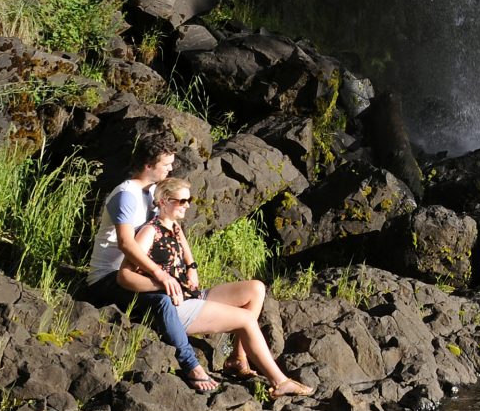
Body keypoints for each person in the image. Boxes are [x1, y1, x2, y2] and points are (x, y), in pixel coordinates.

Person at [120, 178, 311, 397]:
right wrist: (162, 281)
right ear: (163, 202)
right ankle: (280, 381)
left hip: (193, 294)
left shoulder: (174, 227)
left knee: (256, 288)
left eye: (188, 200)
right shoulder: (149, 232)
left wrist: (192, 268)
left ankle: (238, 358)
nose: (187, 205)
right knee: (246, 319)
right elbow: (124, 276)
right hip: (177, 306)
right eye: (182, 201)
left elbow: (186, 251)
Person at [82, 134, 215, 392]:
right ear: (149, 165)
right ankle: (190, 364)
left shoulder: (152, 194)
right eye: (166, 164)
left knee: (183, 291)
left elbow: (174, 229)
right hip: (108, 278)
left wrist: (190, 266)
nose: (170, 169)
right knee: (163, 299)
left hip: (135, 274)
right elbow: (125, 243)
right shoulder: (127, 195)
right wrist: (159, 274)